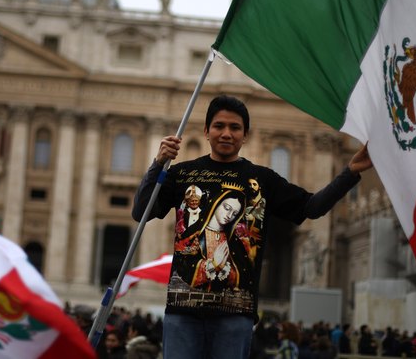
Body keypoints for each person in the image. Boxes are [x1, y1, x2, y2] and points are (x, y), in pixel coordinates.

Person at [133, 95, 373, 359]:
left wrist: (350, 173)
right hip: (183, 311)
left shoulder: (262, 179)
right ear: (206, 131)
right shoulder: (182, 173)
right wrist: (157, 165)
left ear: (245, 135)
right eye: (219, 126)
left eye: (235, 128)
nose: (226, 133)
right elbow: (140, 211)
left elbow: (312, 207)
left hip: (235, 314)